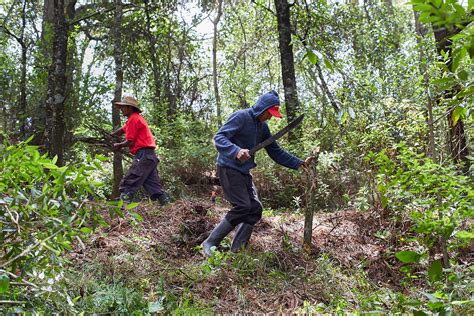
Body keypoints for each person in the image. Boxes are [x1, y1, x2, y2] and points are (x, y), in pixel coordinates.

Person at [201, 90, 314, 256]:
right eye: (269, 114)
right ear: (262, 109)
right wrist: (236, 151)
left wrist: (299, 163)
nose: (270, 117)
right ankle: (210, 243)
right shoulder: (241, 117)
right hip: (228, 168)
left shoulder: (263, 128)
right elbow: (219, 138)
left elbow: (276, 152)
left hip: (244, 172)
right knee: (243, 206)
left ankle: (237, 250)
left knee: (255, 209)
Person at [111, 95, 169, 205]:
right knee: (153, 185)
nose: (122, 109)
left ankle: (123, 208)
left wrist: (118, 145)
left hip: (143, 155)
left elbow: (130, 142)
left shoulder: (133, 119)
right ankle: (166, 206)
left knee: (131, 180)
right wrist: (113, 134)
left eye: (124, 107)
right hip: (150, 157)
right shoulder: (134, 119)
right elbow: (123, 129)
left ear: (130, 108)